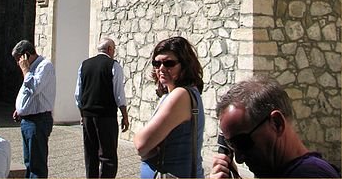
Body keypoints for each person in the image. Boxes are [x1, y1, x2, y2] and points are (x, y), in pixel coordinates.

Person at [210, 75, 340, 178]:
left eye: (242, 143)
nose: (238, 159)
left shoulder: (309, 174)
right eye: (230, 144)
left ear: (277, 123)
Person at [134, 36, 205, 179]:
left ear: (185, 65)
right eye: (157, 63)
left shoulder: (180, 95)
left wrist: (141, 138)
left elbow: (141, 144)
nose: (161, 68)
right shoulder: (175, 93)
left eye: (169, 63)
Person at [75, 37, 129, 178]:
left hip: (87, 115)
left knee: (90, 153)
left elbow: (78, 94)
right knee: (107, 155)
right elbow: (119, 95)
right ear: (110, 49)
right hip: (106, 116)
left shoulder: (84, 65)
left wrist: (82, 114)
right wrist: (125, 115)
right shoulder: (113, 65)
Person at [12, 39, 56, 179]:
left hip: (38, 120)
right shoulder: (31, 69)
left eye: (18, 59)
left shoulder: (45, 66)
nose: (18, 63)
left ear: (26, 55)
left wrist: (25, 70)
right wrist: (20, 109)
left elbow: (34, 88)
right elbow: (27, 92)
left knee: (37, 164)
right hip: (27, 119)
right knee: (29, 162)